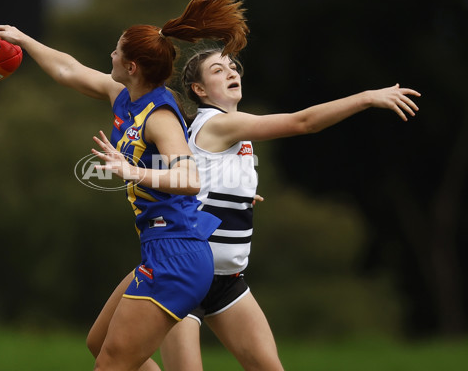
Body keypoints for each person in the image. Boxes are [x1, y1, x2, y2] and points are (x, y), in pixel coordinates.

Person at [0, 0, 250, 371]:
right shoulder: (124, 95)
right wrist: (24, 40)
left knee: (110, 365)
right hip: (160, 247)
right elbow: (69, 70)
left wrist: (133, 171)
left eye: (116, 50)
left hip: (178, 254)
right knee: (99, 344)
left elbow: (189, 178)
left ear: (132, 66)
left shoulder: (160, 116)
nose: (110, 54)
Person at [156, 47, 420, 371]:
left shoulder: (229, 128)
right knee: (119, 355)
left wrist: (238, 194)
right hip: (187, 272)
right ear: (199, 90)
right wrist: (366, 98)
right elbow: (303, 123)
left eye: (232, 67)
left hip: (226, 279)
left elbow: (203, 181)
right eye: (217, 70)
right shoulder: (220, 124)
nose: (231, 72)